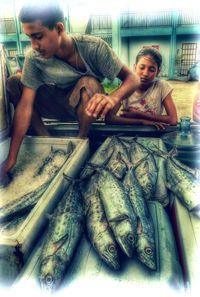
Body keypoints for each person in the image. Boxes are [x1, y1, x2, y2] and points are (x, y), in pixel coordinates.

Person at [0, 0, 139, 182]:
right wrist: (11, 158)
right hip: (55, 105)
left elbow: (133, 79)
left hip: (86, 108)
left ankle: (81, 143)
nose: (34, 45)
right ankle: (45, 139)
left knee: (88, 82)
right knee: (14, 82)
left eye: (38, 36)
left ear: (58, 28)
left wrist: (113, 98)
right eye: (30, 38)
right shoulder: (33, 58)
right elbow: (25, 106)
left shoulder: (94, 47)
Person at [105, 47, 178, 129]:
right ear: (135, 67)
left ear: (158, 72)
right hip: (130, 134)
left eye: (152, 69)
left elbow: (173, 120)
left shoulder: (161, 87)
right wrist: (142, 122)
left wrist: (140, 115)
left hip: (154, 134)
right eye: (142, 68)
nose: (145, 73)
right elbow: (109, 118)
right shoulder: (126, 87)